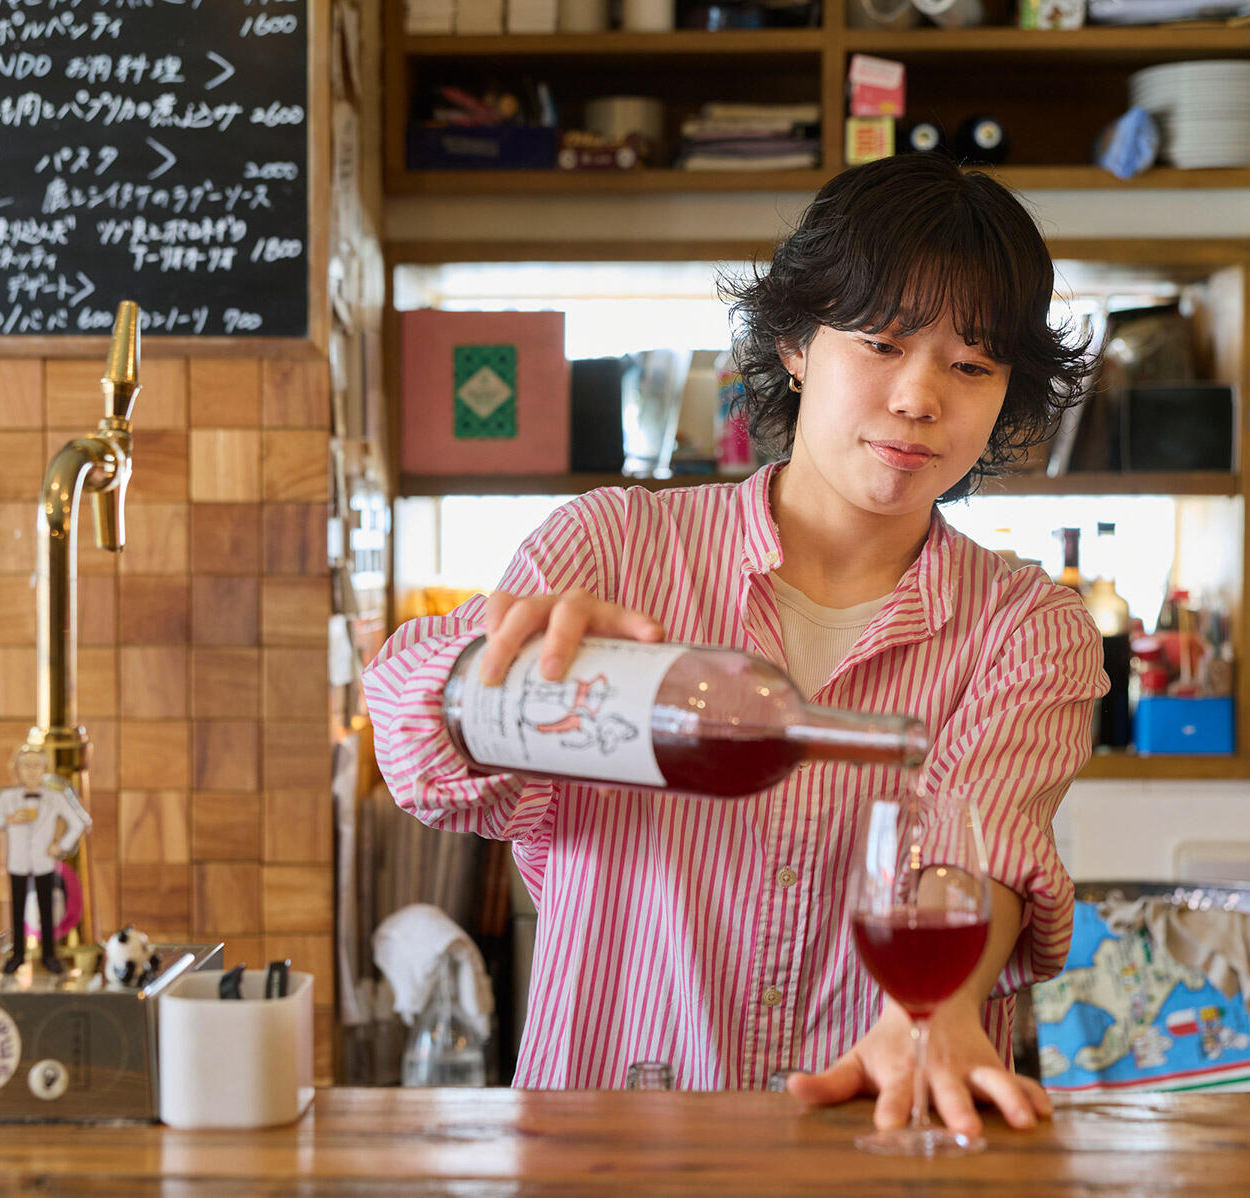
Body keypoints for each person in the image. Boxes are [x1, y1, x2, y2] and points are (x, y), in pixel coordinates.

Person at [364, 152, 1104, 1138]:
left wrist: (934, 1006)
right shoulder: (613, 550)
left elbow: (984, 846)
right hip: (609, 1136)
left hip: (873, 1134)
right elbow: (413, 755)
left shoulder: (1026, 626)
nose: (921, 398)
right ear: (796, 342)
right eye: (882, 343)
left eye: (972, 365)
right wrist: (483, 679)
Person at [0, 749, 93, 974]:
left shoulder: (55, 797)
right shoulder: (8, 797)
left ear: (44, 769)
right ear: (17, 770)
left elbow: (79, 822)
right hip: (17, 862)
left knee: (46, 908)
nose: (31, 771)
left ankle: (50, 955)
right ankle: (18, 954)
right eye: (26, 766)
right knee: (17, 909)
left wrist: (60, 846)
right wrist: (7, 819)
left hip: (43, 861)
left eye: (36, 766)